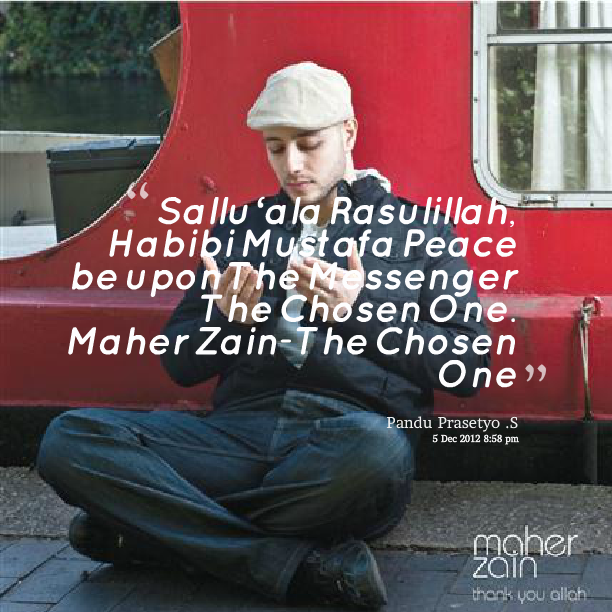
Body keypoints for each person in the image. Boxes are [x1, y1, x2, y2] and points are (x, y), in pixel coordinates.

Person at [36, 61, 491, 610]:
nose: (292, 164)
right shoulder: (241, 229)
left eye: (308, 144)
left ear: (348, 133)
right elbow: (179, 360)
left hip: (344, 445)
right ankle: (288, 564)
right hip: (237, 438)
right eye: (276, 148)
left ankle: (152, 533)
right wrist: (229, 320)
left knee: (380, 451)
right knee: (68, 440)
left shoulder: (420, 230)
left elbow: (468, 365)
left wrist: (361, 311)